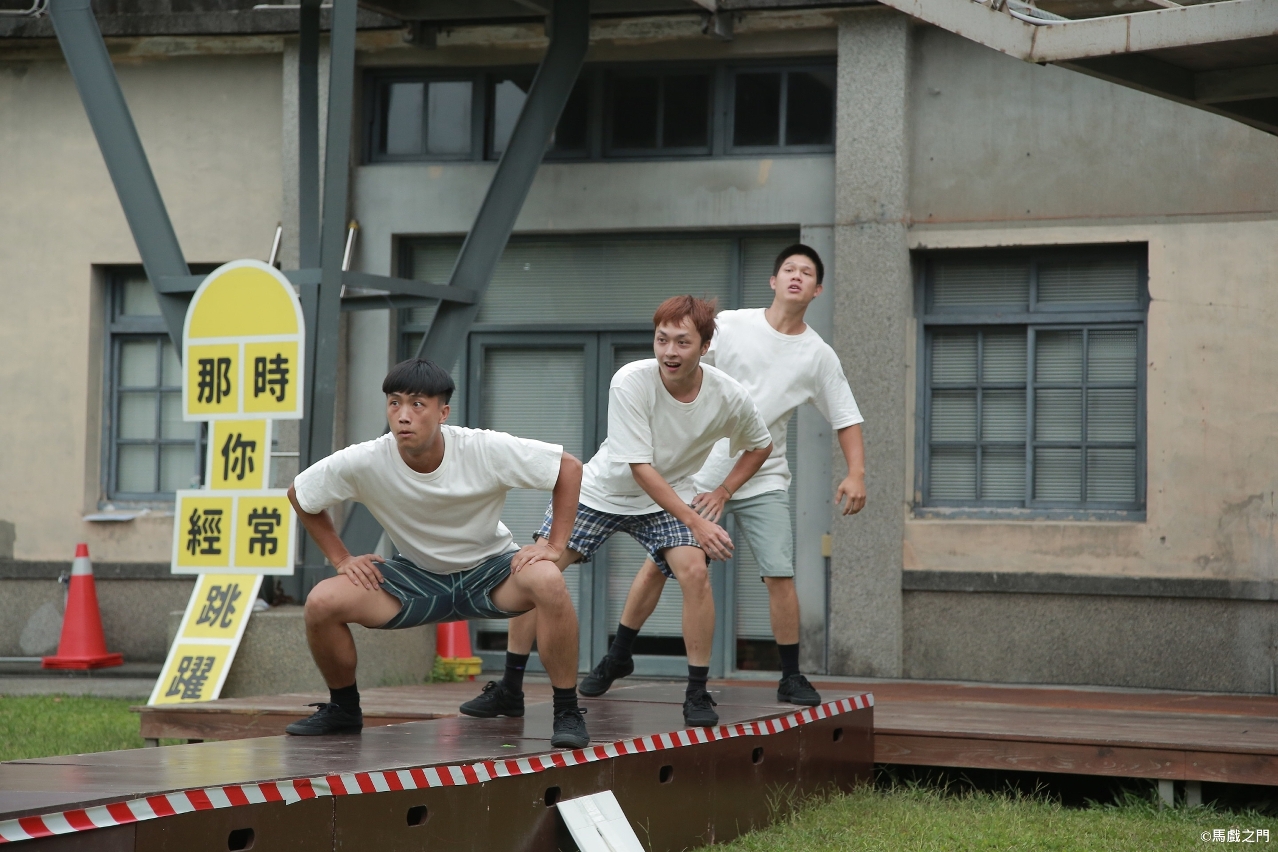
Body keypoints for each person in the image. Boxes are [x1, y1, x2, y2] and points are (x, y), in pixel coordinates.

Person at [459, 295, 773, 728]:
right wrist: (696, 521)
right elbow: (639, 468)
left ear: (705, 346)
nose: (669, 351)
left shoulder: (728, 396)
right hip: (600, 491)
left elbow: (760, 445)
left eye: (682, 342)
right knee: (534, 571)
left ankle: (697, 693)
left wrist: (723, 491)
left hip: (668, 496)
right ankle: (511, 688)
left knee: (695, 572)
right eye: (662, 339)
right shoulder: (630, 381)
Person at [580, 245, 866, 707]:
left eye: (807, 272)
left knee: (780, 571)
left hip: (762, 474)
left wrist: (856, 472)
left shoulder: (818, 355)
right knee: (662, 564)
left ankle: (791, 676)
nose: (796, 276)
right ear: (772, 281)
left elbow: (846, 416)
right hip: (697, 472)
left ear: (818, 290)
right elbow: (679, 369)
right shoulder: (731, 325)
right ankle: (617, 656)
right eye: (788, 269)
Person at [284, 358, 589, 748]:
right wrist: (342, 559)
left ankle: (566, 710)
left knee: (548, 578)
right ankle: (344, 709)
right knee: (321, 602)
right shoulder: (367, 459)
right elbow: (300, 494)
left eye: (417, 404)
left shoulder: (482, 448)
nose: (403, 416)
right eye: (394, 403)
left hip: (491, 573)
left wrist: (553, 545)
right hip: (417, 578)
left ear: (443, 413)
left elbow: (568, 468)